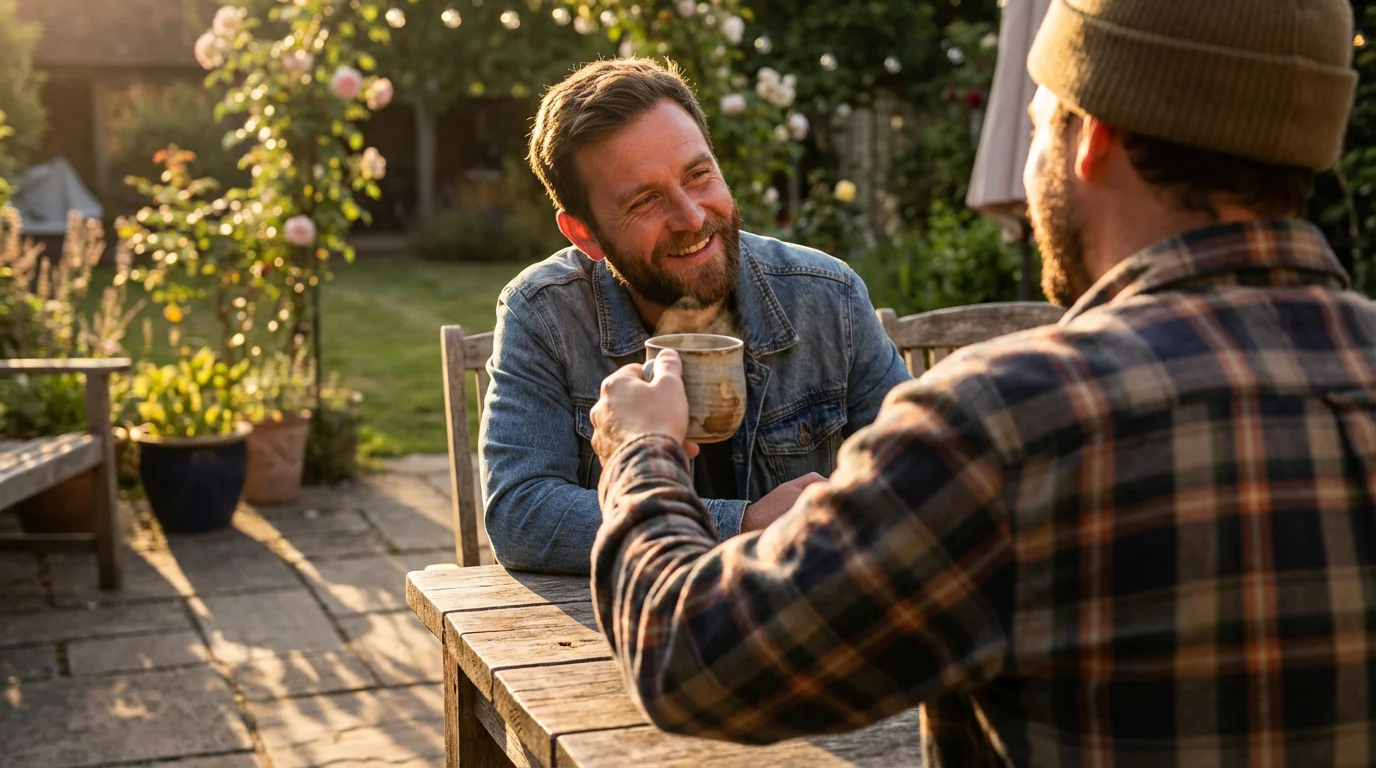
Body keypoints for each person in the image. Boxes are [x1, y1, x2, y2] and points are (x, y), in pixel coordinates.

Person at [587, 1, 1368, 764]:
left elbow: (688, 657)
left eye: (1038, 122)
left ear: (1094, 137)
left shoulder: (1009, 424)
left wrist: (644, 449)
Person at [480, 58, 910, 575]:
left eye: (698, 174)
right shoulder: (545, 313)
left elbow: (917, 468)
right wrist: (745, 525)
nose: (691, 217)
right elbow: (522, 514)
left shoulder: (828, 295)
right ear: (584, 234)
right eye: (645, 201)